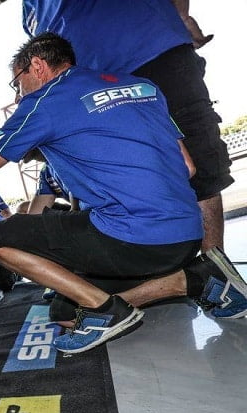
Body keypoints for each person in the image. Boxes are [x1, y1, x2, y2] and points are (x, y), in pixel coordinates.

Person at [0, 33, 247, 355]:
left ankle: (109, 311)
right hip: (187, 236)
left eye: (17, 83)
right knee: (65, 312)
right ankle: (196, 279)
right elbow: (188, 167)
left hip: (133, 239)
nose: (18, 95)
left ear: (37, 65)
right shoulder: (143, 87)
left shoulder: (43, 102)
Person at [21, 0, 233, 252]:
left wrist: (181, 15)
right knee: (121, 179)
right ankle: (167, 266)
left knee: (197, 157)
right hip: (92, 93)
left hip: (150, 51)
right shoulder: (29, 10)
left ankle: (214, 264)